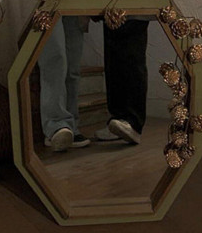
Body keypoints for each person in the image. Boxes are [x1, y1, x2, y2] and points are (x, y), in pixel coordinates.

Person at [38, 16, 90, 152]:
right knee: (55, 59)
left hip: (75, 4)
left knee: (73, 64)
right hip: (47, 4)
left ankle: (71, 125)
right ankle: (55, 125)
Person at [95, 19, 149, 144]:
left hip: (133, 10)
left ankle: (133, 122)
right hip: (111, 9)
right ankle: (119, 118)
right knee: (113, 60)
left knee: (132, 57)